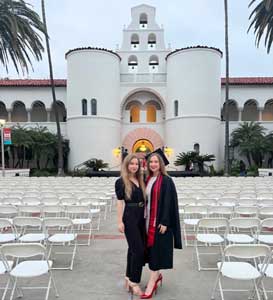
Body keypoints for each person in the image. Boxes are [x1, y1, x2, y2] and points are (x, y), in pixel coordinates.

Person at [142, 149, 182, 299]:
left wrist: (165, 221)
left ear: (161, 164)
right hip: (147, 221)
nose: (153, 164)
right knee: (152, 250)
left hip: (159, 222)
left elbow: (169, 202)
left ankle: (152, 283)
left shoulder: (166, 180)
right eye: (151, 162)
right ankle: (157, 276)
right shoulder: (148, 179)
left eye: (156, 162)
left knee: (156, 251)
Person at [115, 154, 146, 297]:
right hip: (130, 217)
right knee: (139, 251)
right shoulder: (121, 181)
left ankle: (128, 277)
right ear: (126, 165)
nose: (134, 166)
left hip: (142, 217)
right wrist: (120, 221)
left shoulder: (141, 179)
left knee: (132, 250)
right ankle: (134, 281)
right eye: (131, 164)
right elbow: (120, 202)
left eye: (136, 164)